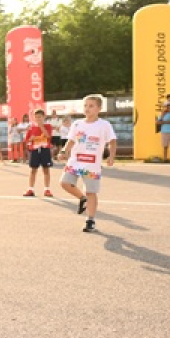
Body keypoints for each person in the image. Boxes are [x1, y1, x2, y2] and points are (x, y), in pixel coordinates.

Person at [59, 94, 117, 234]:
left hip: (91, 164)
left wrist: (111, 156)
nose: (87, 108)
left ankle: (90, 220)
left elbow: (112, 141)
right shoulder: (78, 124)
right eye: (85, 106)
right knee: (64, 183)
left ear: (99, 108)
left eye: (91, 106)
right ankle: (82, 198)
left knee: (91, 191)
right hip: (75, 161)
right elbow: (71, 140)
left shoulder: (104, 125)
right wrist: (64, 151)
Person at [23, 109, 54, 197]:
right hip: (34, 150)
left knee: (46, 169)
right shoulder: (31, 127)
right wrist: (31, 139)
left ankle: (47, 189)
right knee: (33, 170)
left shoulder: (48, 126)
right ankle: (30, 189)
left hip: (45, 149)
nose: (38, 119)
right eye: (36, 117)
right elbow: (26, 140)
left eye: (39, 117)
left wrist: (41, 127)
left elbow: (48, 136)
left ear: (44, 117)